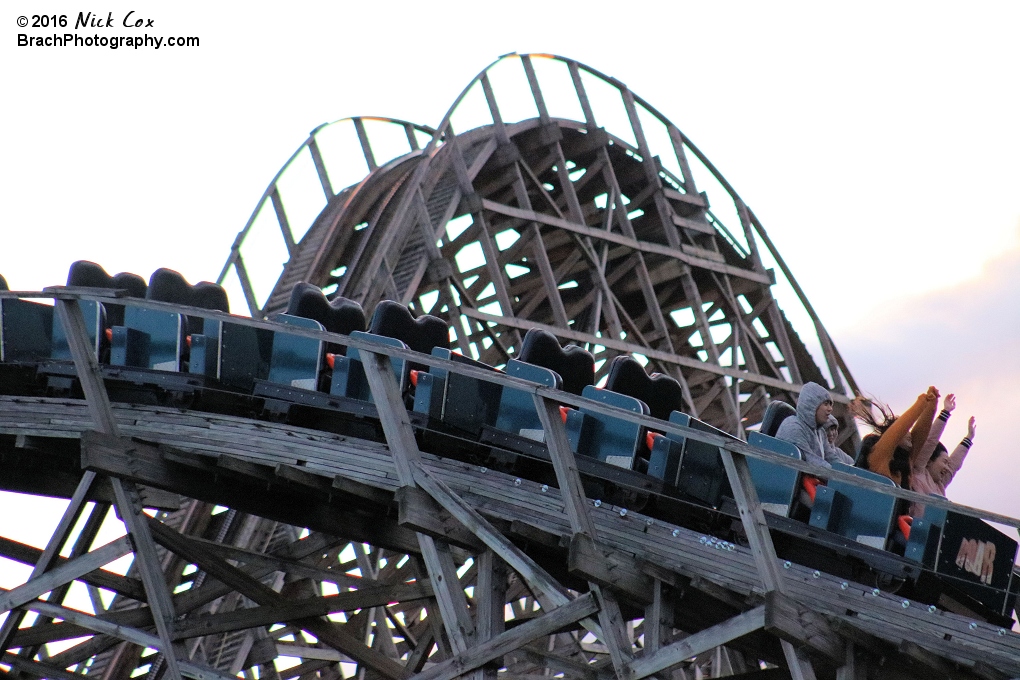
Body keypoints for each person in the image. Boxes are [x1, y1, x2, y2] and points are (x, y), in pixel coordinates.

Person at [853, 386, 939, 488]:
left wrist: (931, 404)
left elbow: (920, 433)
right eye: (906, 431)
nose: (909, 434)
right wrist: (922, 402)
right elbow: (898, 429)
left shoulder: (906, 459)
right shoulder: (878, 454)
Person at [909, 392, 976, 514]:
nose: (946, 467)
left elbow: (954, 466)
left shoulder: (939, 485)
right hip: (912, 528)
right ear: (929, 461)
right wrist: (945, 413)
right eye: (944, 462)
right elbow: (930, 441)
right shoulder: (918, 471)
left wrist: (969, 438)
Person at [775, 382, 838, 468]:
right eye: (826, 404)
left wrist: (850, 472)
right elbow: (809, 462)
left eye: (830, 405)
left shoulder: (820, 432)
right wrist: (838, 475)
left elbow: (832, 459)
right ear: (811, 405)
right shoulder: (793, 427)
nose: (830, 409)